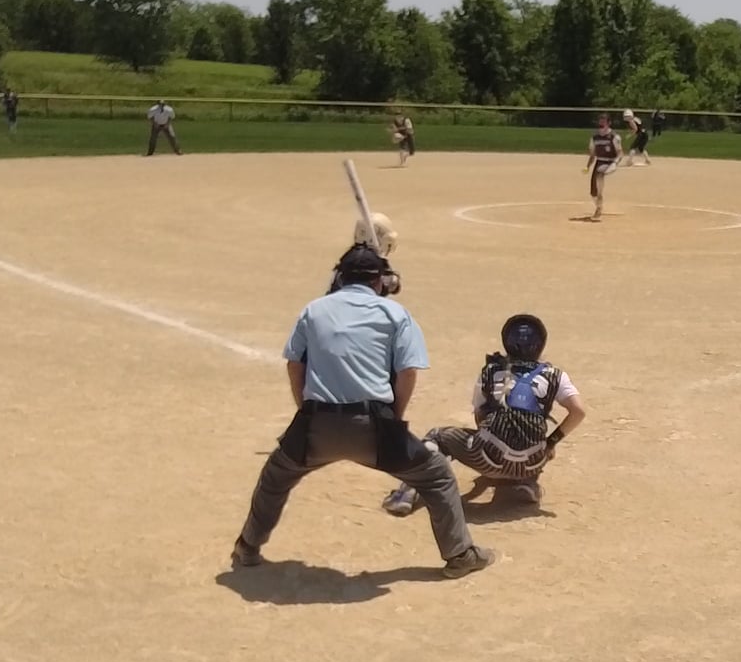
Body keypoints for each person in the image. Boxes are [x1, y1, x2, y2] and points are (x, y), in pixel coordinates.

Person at [230, 244, 494, 579]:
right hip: (374, 428)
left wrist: (306, 412)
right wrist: (393, 419)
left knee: (275, 477)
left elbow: (294, 365)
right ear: (380, 280)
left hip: (315, 426)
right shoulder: (395, 314)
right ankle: (459, 554)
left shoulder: (314, 309)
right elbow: (407, 372)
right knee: (437, 475)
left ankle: (248, 547)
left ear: (340, 277)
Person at [383, 314, 587, 515]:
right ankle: (523, 481)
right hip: (532, 461)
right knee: (537, 443)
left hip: (487, 457)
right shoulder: (555, 375)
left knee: (437, 437)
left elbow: (480, 417)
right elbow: (578, 411)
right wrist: (551, 443)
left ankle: (406, 494)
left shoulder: (492, 370)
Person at [584, 116, 622, 221]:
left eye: (603, 123)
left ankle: (600, 195)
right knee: (593, 192)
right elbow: (592, 155)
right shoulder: (594, 138)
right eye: (599, 123)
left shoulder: (614, 137)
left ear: (609, 123)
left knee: (600, 173)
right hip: (600, 161)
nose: (600, 125)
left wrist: (615, 163)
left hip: (611, 162)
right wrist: (588, 166)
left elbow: (620, 153)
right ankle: (599, 206)